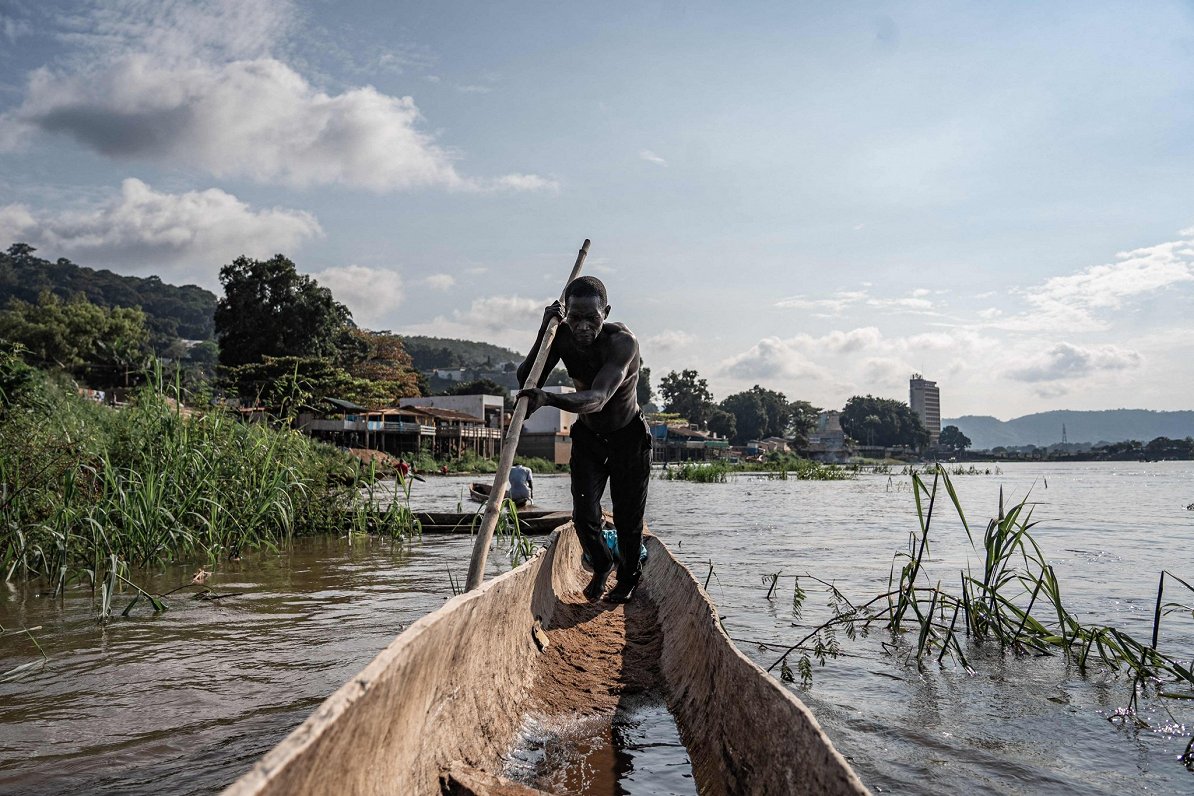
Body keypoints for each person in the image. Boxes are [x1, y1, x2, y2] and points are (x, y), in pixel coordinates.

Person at [517, 276, 649, 603]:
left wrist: (548, 399)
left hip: (627, 437)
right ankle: (602, 562)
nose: (583, 327)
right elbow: (526, 377)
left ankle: (627, 579)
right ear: (566, 315)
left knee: (628, 517)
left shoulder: (622, 343)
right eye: (575, 318)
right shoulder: (561, 336)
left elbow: (599, 398)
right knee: (584, 516)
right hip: (589, 436)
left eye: (592, 318)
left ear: (606, 312)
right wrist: (544, 328)